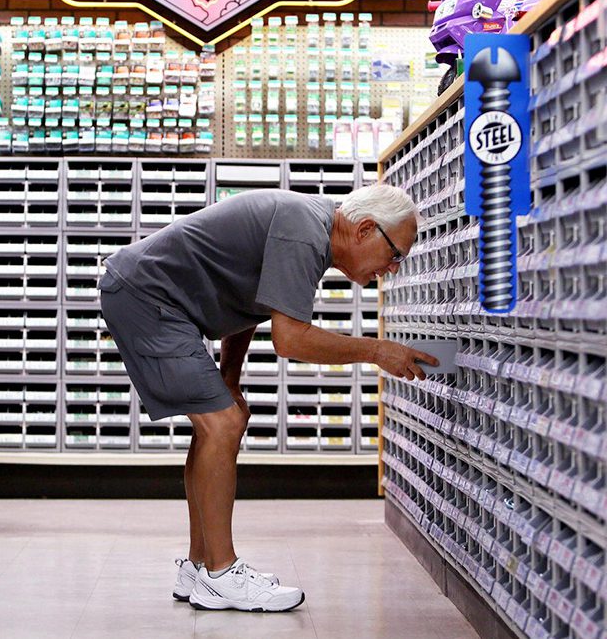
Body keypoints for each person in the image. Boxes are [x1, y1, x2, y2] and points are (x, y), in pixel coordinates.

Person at [97, 183, 438, 612]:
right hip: (147, 295)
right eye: (395, 255)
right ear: (366, 229)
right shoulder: (304, 231)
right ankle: (222, 574)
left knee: (220, 422)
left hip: (155, 298)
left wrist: (230, 378)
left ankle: (200, 567)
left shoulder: (309, 228)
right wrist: (376, 350)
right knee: (221, 423)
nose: (392, 269)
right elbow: (290, 339)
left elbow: (250, 306)